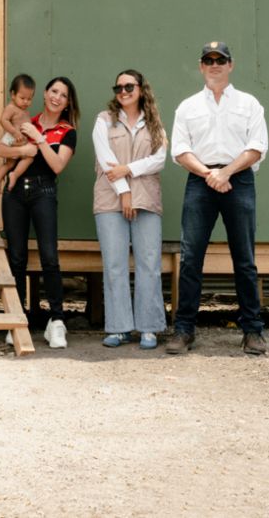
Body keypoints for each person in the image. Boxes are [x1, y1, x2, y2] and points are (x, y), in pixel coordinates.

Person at [167, 41, 269, 356]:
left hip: (239, 179)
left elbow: (257, 146)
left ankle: (252, 331)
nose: (215, 65)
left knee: (244, 259)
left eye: (220, 60)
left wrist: (225, 173)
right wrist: (210, 174)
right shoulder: (187, 107)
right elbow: (180, 150)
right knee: (190, 258)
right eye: (209, 60)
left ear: (230, 65)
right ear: (201, 66)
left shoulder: (249, 103)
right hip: (200, 181)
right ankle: (184, 330)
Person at [0, 76, 79, 349]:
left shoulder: (67, 131)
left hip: (44, 191)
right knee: (16, 257)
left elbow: (57, 166)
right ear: (44, 93)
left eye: (63, 95)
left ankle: (57, 321)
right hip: (15, 192)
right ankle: (18, 320)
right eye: (53, 91)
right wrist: (23, 147)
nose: (56, 97)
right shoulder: (25, 120)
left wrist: (39, 140)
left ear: (67, 103)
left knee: (49, 257)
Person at [92, 69, 168, 350]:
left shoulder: (154, 122)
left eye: (128, 86)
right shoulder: (104, 120)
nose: (123, 92)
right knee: (114, 263)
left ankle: (148, 327)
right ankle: (119, 327)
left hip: (147, 200)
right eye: (118, 88)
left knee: (149, 262)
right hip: (110, 200)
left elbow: (159, 160)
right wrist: (124, 192)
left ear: (141, 89)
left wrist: (128, 169)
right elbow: (105, 160)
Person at [0, 74, 37, 195]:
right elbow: (3, 120)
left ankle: (11, 175)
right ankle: (0, 178)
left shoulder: (26, 112)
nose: (26, 102)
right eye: (22, 98)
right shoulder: (11, 108)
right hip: (11, 138)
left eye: (29, 99)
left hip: (20, 141)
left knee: (17, 162)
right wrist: (14, 132)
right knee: (17, 160)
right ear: (13, 95)